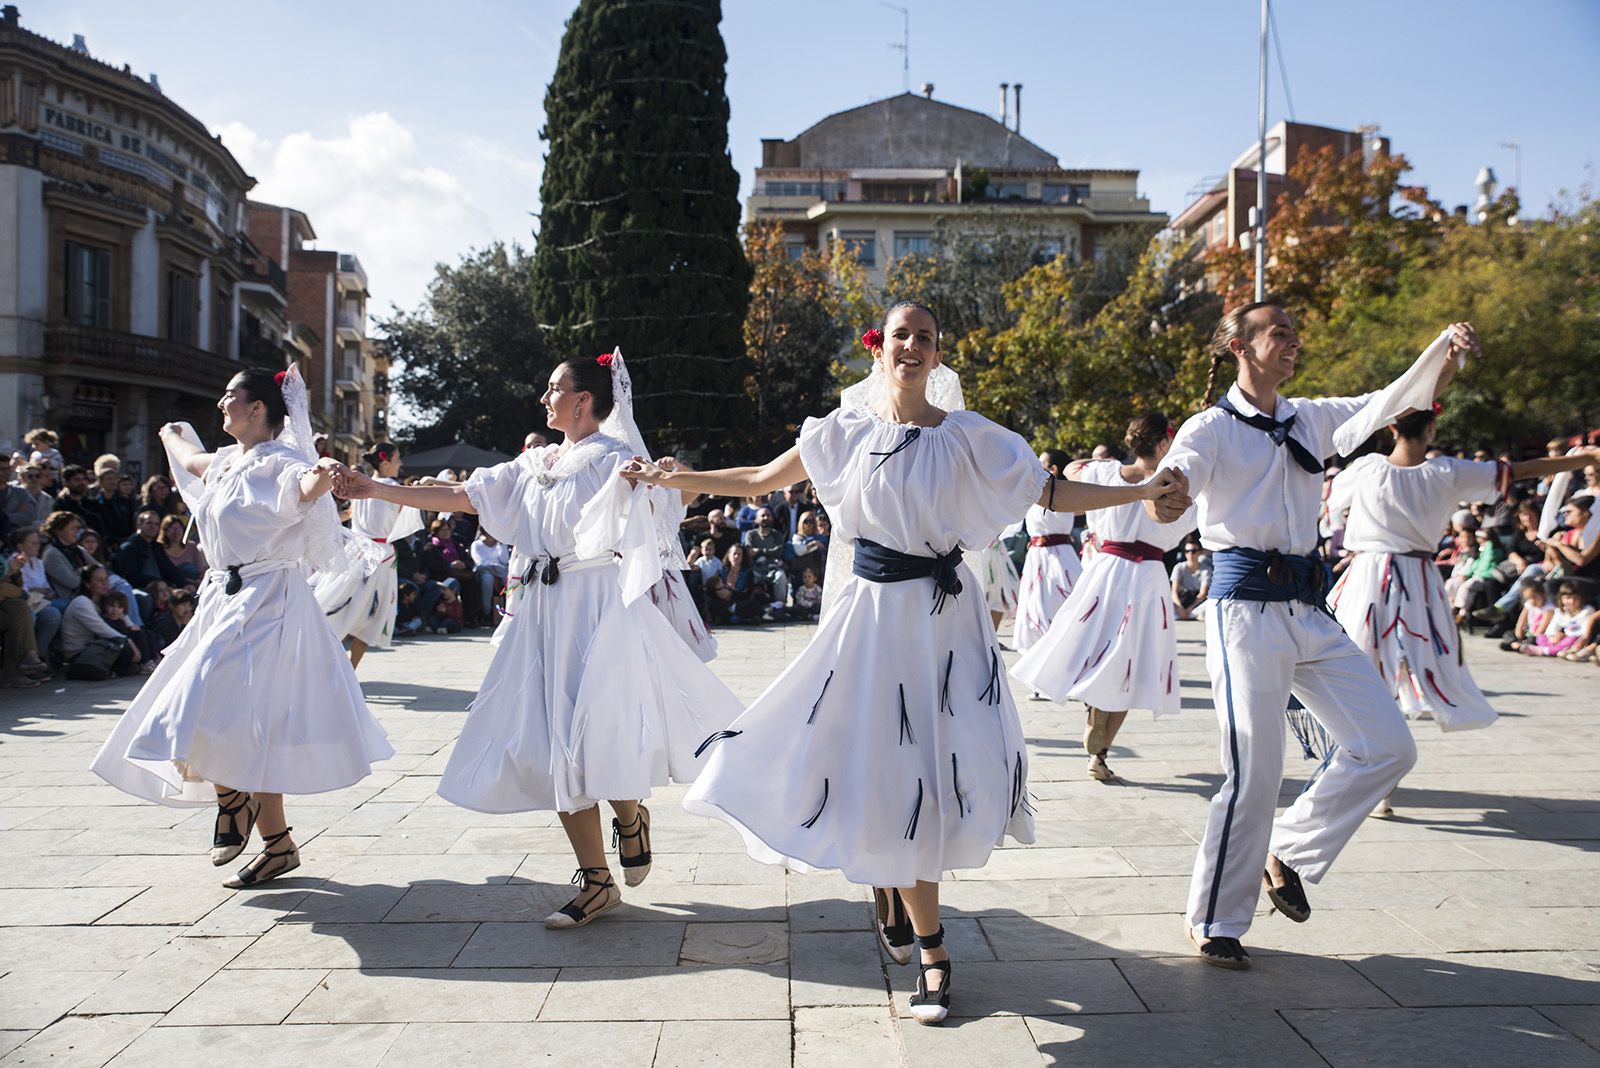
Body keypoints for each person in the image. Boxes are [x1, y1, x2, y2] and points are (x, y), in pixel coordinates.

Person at [621, 304, 1190, 1024]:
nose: (913, 346)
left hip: (945, 627)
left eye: (925, 337)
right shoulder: (841, 433)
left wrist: (1140, 491)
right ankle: (933, 951)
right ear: (879, 348)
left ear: (937, 354)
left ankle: (901, 898)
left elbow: (1048, 491)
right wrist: (676, 480)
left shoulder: (969, 438)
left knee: (941, 771)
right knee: (880, 767)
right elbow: (760, 480)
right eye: (901, 335)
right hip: (872, 622)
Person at [332, 349, 742, 930]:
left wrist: (667, 484)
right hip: (544, 609)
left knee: (599, 730)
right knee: (554, 738)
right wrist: (376, 489)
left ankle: (629, 817)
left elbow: (666, 507)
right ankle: (597, 880)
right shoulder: (534, 463)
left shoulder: (616, 458)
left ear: (583, 400)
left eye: (554, 389)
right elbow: (462, 497)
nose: (544, 397)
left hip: (599, 605)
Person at [1158, 303, 1473, 969]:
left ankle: (1289, 851)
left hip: (1308, 604)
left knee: (1387, 745)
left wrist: (1442, 356)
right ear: (1241, 346)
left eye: (1294, 332)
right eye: (1280, 331)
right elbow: (1180, 473)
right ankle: (1214, 917)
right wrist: (1171, 488)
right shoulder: (1212, 427)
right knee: (1256, 770)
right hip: (1242, 606)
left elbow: (1392, 398)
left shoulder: (1311, 417)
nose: (1293, 341)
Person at [91, 366, 393, 889]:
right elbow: (189, 459)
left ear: (257, 409)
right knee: (251, 726)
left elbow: (301, 487)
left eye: (230, 397)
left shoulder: (281, 462)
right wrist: (170, 432)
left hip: (268, 601)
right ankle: (277, 845)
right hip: (223, 597)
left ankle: (232, 802)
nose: (221, 405)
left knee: (211, 702)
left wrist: (321, 471)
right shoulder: (230, 460)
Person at [1329, 410, 1597, 732]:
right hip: (1415, 576)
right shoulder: (1447, 471)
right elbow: (1522, 470)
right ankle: (1372, 730)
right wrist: (1586, 458)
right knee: (1414, 656)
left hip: (1368, 574)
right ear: (1432, 428)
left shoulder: (1365, 468)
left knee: (1360, 652)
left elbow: (1331, 504)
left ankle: (1359, 727)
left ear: (1392, 427)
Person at [1012, 413, 1196, 781]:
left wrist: (1102, 463)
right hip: (1146, 578)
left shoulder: (1105, 474)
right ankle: (1101, 749)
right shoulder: (1175, 489)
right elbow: (1190, 520)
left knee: (1095, 647)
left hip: (1106, 571)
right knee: (1133, 662)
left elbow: (1072, 469)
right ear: (1162, 444)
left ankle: (1095, 713)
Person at [312, 442, 422, 668]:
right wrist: (421, 489)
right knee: (370, 615)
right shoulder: (392, 488)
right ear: (385, 462)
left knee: (342, 607)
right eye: (397, 458)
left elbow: (348, 515)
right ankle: (347, 670)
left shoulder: (360, 486)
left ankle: (331, 666)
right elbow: (408, 519)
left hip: (355, 552)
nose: (400, 463)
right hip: (380, 556)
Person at [1013, 449, 1082, 657]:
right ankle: (1039, 659)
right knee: (1035, 608)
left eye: (1041, 463)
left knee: (1053, 606)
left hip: (1057, 558)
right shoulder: (1036, 491)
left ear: (1053, 469)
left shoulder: (1062, 493)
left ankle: (1059, 658)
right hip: (1037, 557)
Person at [1521, 581, 1594, 657]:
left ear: (1581, 598)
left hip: (1574, 638)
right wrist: (1552, 636)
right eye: (1567, 598)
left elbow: (1584, 631)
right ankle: (1554, 649)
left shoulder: (1587, 611)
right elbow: (1553, 626)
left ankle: (1543, 650)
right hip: (1560, 639)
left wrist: (1564, 635)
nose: (1572, 601)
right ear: (1561, 598)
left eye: (1575, 598)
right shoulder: (1560, 611)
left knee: (1572, 639)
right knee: (1540, 637)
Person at [160, 515, 207, 585]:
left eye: (179, 528)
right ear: (165, 530)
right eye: (173, 528)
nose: (177, 531)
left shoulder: (191, 546)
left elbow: (200, 570)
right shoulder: (160, 549)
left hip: (195, 584)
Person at [1171, 541, 1212, 619]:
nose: (1190, 554)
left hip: (1197, 603)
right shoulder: (1179, 567)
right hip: (1181, 600)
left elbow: (1203, 594)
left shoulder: (1206, 569)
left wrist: (1190, 609)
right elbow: (1174, 592)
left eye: (1194, 551)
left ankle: (1189, 615)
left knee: (1210, 603)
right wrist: (1180, 608)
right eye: (1187, 551)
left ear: (1199, 552)